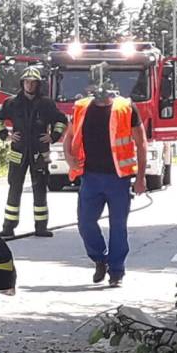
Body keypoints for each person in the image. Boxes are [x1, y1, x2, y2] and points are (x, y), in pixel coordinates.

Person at [62, 69, 147, 287]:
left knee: (118, 226)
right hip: (90, 177)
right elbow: (69, 137)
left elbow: (141, 143)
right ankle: (100, 259)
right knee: (85, 223)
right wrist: (70, 160)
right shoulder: (81, 107)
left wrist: (140, 178)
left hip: (118, 178)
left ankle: (116, 271)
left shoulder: (126, 108)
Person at [0, 65, 68, 239]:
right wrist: (6, 135)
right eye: (27, 82)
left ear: (38, 84)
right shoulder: (12, 103)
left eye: (33, 82)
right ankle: (8, 227)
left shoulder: (46, 104)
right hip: (18, 152)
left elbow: (61, 120)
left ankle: (41, 227)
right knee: (14, 188)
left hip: (40, 152)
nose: (30, 85)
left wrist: (53, 136)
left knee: (40, 189)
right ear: (22, 83)